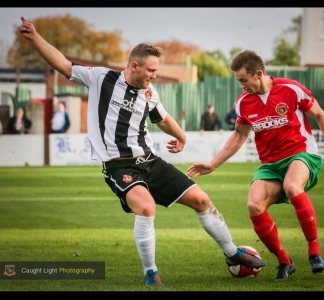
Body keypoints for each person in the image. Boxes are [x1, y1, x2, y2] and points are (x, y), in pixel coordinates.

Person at [19, 17, 265, 286]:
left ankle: (232, 255)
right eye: (150, 70)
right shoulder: (102, 78)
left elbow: (162, 118)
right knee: (146, 208)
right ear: (134, 65)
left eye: (156, 71)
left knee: (202, 200)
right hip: (118, 165)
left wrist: (181, 136)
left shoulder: (150, 93)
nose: (154, 76)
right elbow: (62, 63)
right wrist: (35, 37)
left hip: (150, 161)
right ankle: (151, 272)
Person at [188, 50, 324, 281]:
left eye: (244, 80)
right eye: (239, 81)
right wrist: (213, 164)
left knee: (292, 187)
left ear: (259, 74)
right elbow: (238, 136)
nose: (242, 86)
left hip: (301, 154)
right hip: (270, 163)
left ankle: (314, 252)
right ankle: (285, 262)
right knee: (254, 205)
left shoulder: (291, 89)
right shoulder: (243, 103)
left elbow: (320, 115)